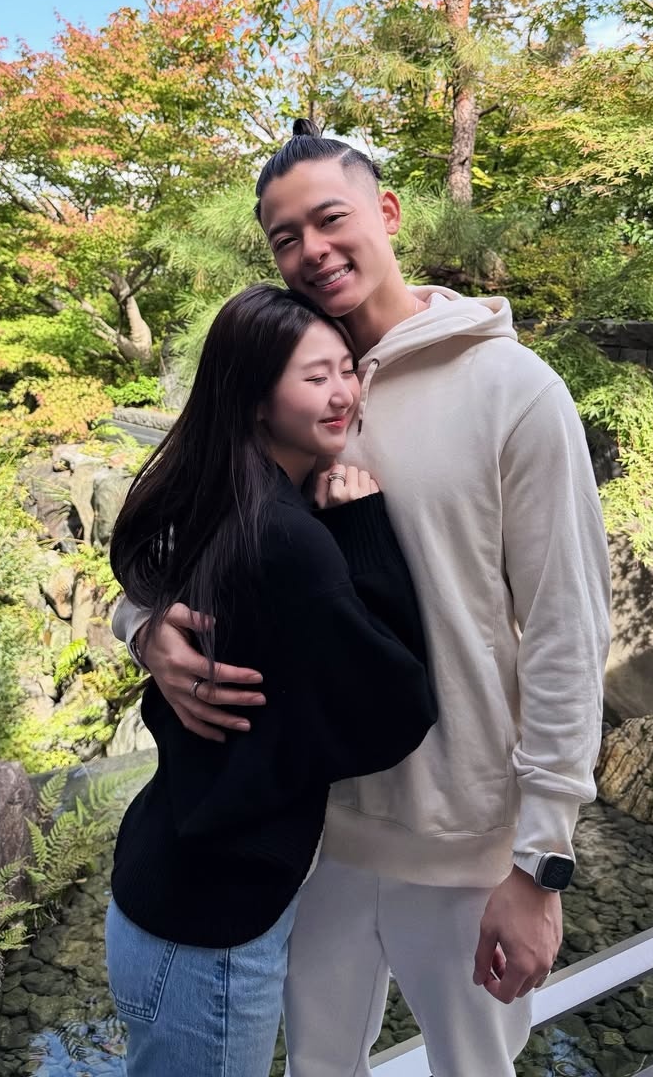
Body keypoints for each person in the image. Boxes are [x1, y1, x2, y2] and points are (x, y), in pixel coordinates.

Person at [115, 120, 612, 1077]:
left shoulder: (513, 389)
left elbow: (567, 629)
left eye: (329, 218)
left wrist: (542, 861)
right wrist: (144, 630)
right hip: (312, 838)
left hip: (465, 844)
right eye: (285, 237)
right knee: (317, 1067)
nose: (311, 249)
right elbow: (176, 531)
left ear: (387, 212)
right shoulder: (288, 374)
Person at [104, 282, 437, 1077]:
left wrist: (141, 628)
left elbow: (145, 574)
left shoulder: (220, 497)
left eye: (349, 370)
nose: (344, 394)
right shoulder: (284, 537)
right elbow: (395, 707)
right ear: (256, 399)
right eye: (315, 377)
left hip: (164, 889)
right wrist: (363, 528)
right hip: (210, 928)